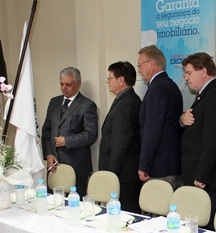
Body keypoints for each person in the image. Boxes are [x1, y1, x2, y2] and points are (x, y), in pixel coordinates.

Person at [180, 53, 216, 230]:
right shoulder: (205, 94)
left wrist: (201, 176)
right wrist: (182, 119)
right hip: (202, 175)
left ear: (203, 71)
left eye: (189, 73)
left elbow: (213, 140)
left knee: (209, 229)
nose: (186, 78)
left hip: (208, 179)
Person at [42, 67, 98, 198]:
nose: (64, 88)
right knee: (53, 202)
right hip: (55, 165)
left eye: (68, 85)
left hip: (76, 166)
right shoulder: (54, 102)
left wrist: (67, 141)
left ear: (78, 84)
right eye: (61, 84)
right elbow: (46, 130)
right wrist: (49, 154)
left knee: (75, 205)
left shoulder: (87, 105)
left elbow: (91, 134)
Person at [98, 61, 142, 214]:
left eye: (110, 78)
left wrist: (110, 176)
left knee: (126, 216)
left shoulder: (126, 104)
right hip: (125, 174)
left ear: (121, 80)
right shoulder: (127, 100)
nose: (108, 81)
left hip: (123, 176)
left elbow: (119, 145)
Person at [137, 45, 183, 189]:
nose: (139, 70)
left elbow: (152, 130)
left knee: (157, 203)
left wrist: (144, 164)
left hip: (159, 166)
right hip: (170, 163)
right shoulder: (171, 86)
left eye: (140, 65)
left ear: (152, 64)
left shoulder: (157, 89)